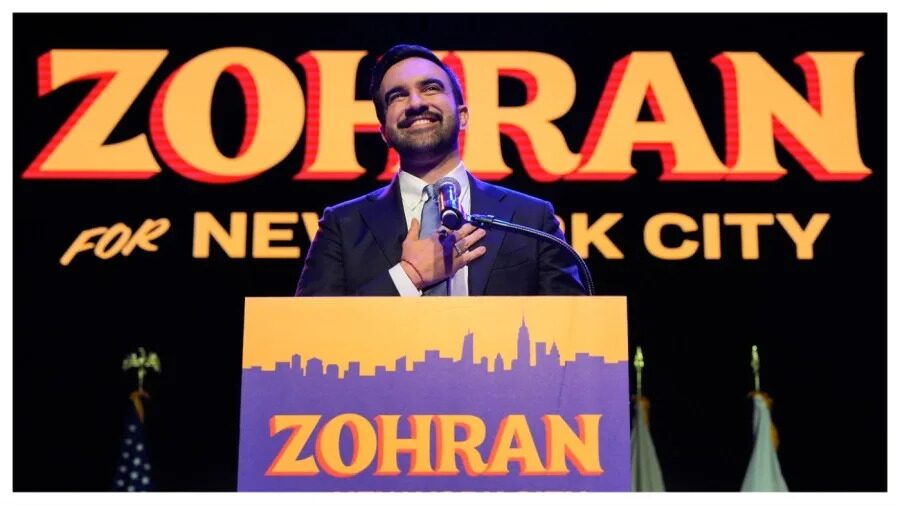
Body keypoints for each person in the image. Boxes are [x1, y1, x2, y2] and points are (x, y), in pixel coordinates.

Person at [295, 44, 585, 296]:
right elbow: (309, 333)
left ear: (463, 115)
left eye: (430, 88)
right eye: (397, 96)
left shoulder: (531, 219)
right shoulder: (342, 226)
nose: (416, 103)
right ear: (383, 132)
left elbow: (572, 332)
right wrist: (408, 277)